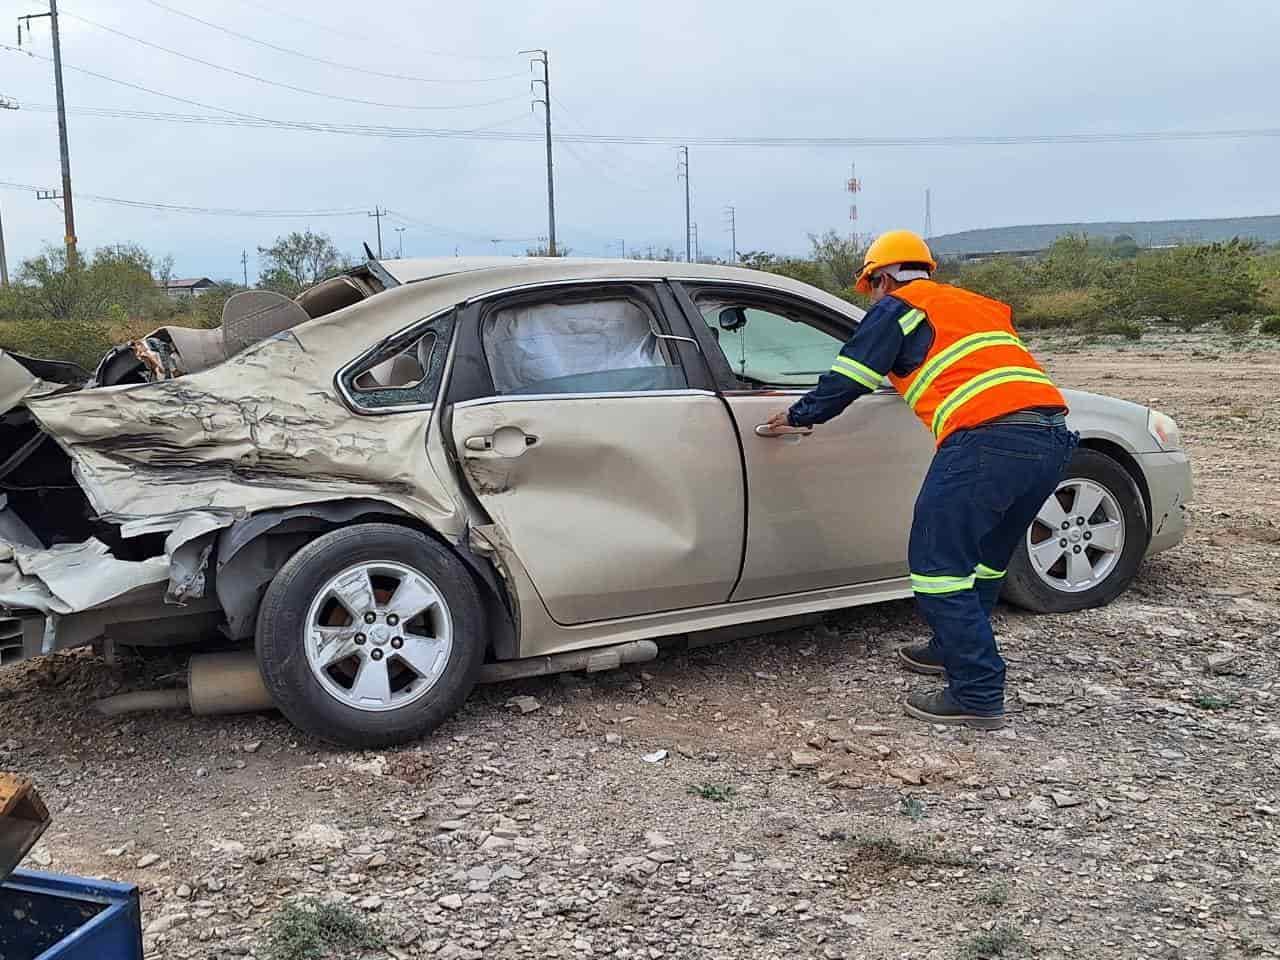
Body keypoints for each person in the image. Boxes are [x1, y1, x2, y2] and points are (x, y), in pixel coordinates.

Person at [764, 230, 1077, 728]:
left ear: (881, 277)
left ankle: (976, 693)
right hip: (1052, 436)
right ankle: (948, 649)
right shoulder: (977, 304)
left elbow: (852, 374)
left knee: (938, 564)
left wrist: (801, 415)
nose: (874, 297)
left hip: (986, 440)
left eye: (871, 288)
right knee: (986, 560)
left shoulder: (899, 307)